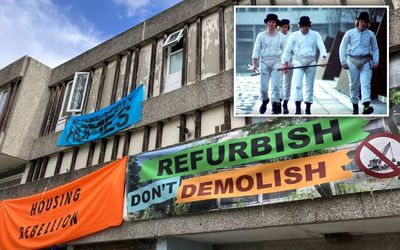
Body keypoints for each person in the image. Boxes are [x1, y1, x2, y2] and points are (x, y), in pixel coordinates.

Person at [281, 16, 327, 115]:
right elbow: (287, 50)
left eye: (306, 26)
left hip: (311, 61)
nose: (304, 28)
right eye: (302, 26)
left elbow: (322, 47)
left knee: (310, 86)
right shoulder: (294, 35)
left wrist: (324, 58)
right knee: (297, 85)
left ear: (309, 25)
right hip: (298, 61)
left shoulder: (316, 35)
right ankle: (298, 108)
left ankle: (308, 107)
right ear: (299, 26)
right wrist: (285, 63)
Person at [339, 11, 379, 115]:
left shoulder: (371, 34)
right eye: (361, 21)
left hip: (366, 61)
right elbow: (342, 47)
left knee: (365, 84)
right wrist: (343, 61)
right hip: (352, 61)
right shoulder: (350, 33)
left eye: (365, 22)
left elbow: (375, 49)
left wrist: (375, 61)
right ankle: (355, 107)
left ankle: (366, 106)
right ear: (358, 21)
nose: (363, 23)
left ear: (368, 23)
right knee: (353, 85)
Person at [252, 13, 286, 115]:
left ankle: (275, 106)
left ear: (276, 24)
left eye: (273, 22)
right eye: (269, 22)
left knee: (275, 86)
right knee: (263, 88)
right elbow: (256, 50)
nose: (271, 23)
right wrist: (254, 64)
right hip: (264, 62)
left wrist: (285, 64)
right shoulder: (261, 36)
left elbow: (285, 52)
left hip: (277, 61)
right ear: (266, 23)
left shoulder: (281, 36)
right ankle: (265, 100)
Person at [279, 19, 293, 114]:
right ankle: (278, 102)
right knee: (278, 84)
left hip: (289, 63)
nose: (284, 29)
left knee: (287, 84)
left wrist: (287, 62)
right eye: (282, 27)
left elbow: (293, 50)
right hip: (278, 64)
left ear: (288, 27)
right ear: (279, 27)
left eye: (286, 27)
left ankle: (285, 104)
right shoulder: (276, 36)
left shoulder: (292, 36)